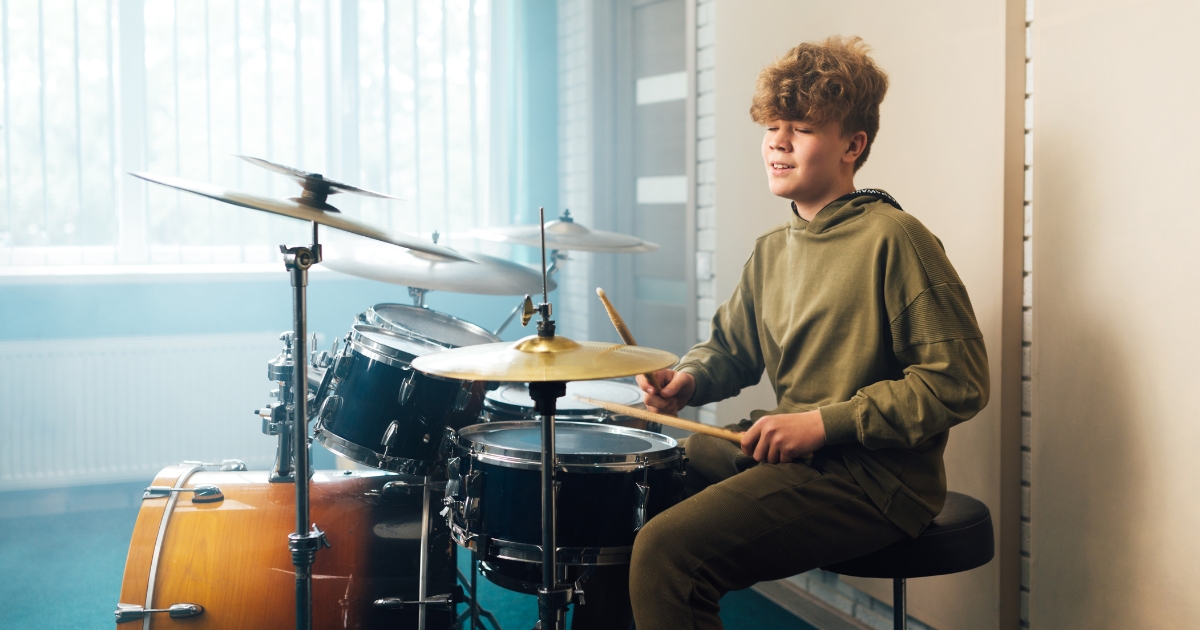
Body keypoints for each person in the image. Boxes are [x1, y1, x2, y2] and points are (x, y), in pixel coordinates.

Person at [572, 36, 991, 630]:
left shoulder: (896, 239)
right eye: (772, 125)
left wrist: (822, 423)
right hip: (798, 456)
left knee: (669, 552)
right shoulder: (773, 250)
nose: (777, 140)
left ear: (853, 145)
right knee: (633, 484)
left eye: (801, 127)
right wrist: (686, 381)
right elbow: (730, 349)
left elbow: (959, 383)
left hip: (874, 478)